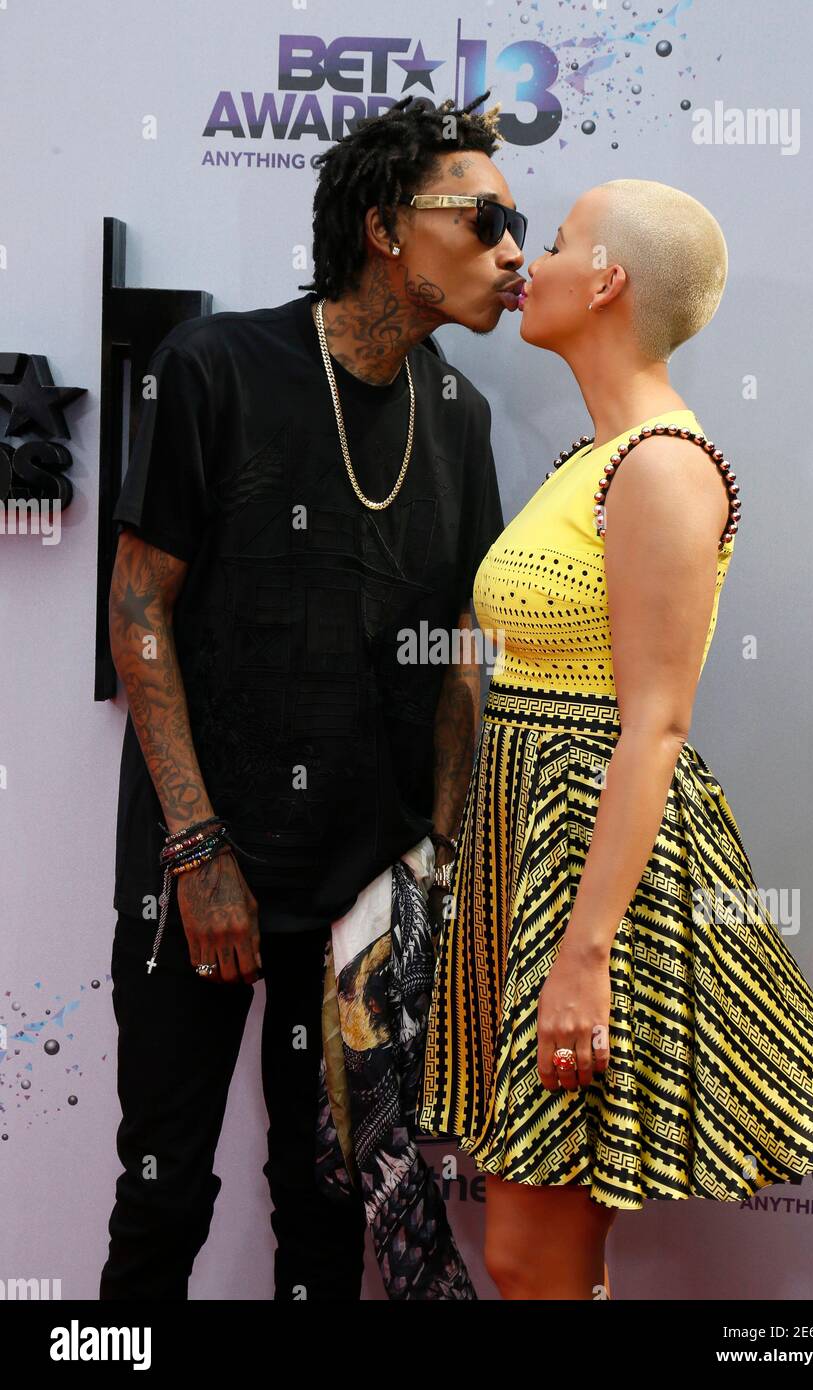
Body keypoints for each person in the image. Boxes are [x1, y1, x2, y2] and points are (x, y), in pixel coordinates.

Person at [418, 178, 813, 1301]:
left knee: (530, 1255)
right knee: (544, 1255)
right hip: (532, 845)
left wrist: (583, 956)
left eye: (557, 242)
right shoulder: (596, 457)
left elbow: (656, 724)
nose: (527, 259)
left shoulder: (663, 465)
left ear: (608, 281)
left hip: (590, 869)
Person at [99, 91, 527, 1300]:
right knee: (161, 1193)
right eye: (485, 218)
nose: (514, 251)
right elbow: (138, 607)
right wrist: (196, 848)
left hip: (361, 894)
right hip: (203, 867)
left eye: (519, 223)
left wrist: (433, 869)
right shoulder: (217, 367)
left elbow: (457, 649)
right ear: (386, 227)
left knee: (328, 1197)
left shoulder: (460, 413)